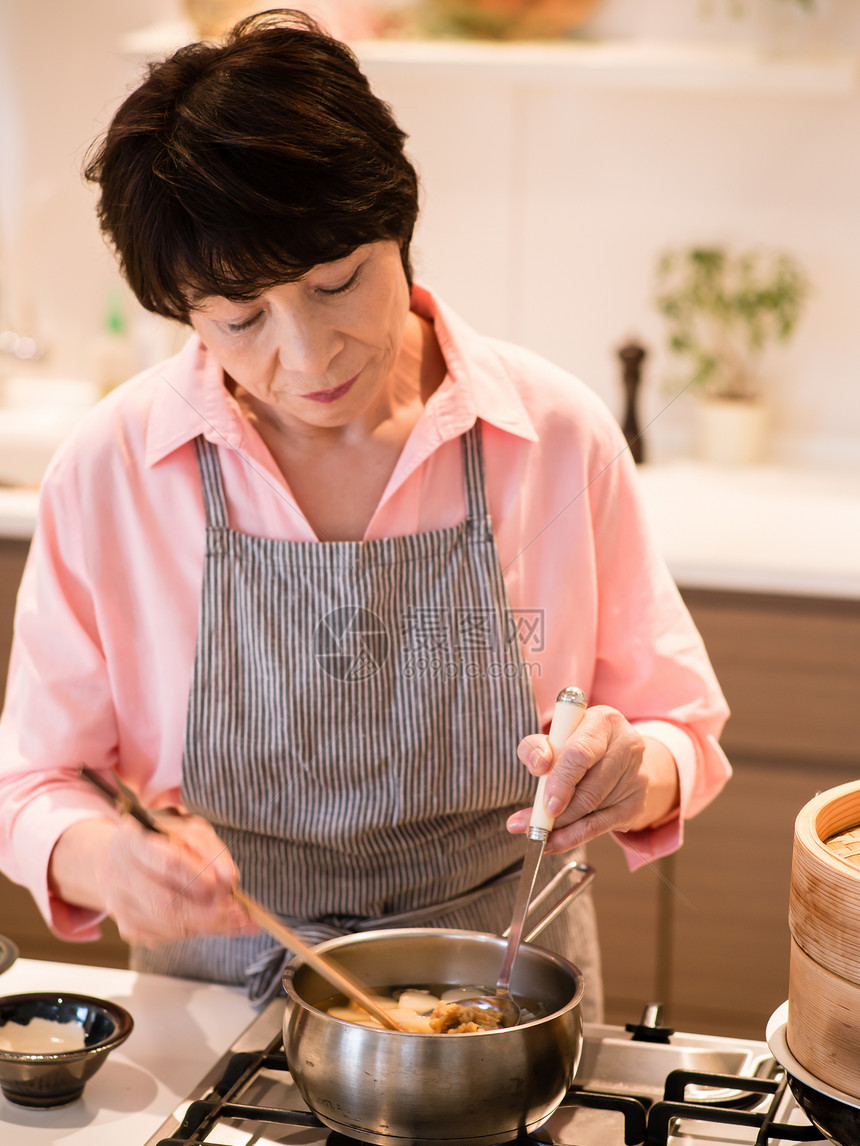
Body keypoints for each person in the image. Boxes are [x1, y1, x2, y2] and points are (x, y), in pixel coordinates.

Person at [0, 10, 730, 1020]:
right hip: (214, 1009)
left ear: (399, 228)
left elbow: (676, 731)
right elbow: (33, 783)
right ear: (183, 310)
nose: (307, 358)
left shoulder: (551, 433)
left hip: (502, 1006)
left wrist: (633, 774)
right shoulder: (114, 468)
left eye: (335, 281)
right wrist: (100, 860)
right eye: (239, 318)